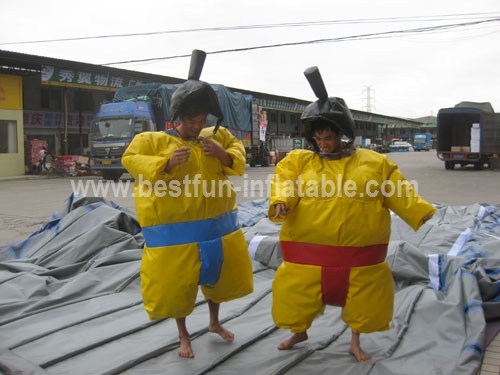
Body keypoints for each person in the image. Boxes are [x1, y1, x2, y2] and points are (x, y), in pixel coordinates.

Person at [268, 70, 436, 362]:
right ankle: (299, 330)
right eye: (318, 137)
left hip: (360, 254)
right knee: (296, 296)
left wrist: (418, 211)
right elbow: (284, 181)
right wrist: (281, 201)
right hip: (307, 252)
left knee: (363, 299)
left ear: (342, 135)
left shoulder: (373, 163)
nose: (324, 143)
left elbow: (396, 188)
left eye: (329, 137)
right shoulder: (299, 161)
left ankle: (355, 341)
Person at [122, 77, 253, 359]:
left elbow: (238, 152)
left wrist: (223, 156)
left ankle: (214, 322)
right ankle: (184, 335)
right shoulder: (154, 142)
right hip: (177, 236)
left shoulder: (217, 137)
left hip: (217, 228)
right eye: (192, 121)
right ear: (179, 118)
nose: (197, 126)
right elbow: (131, 159)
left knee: (217, 278)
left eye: (202, 120)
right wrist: (166, 163)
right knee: (179, 287)